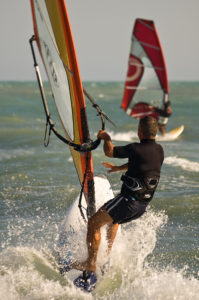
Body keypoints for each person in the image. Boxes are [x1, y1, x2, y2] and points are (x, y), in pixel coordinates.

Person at [71, 116, 164, 278]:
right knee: (113, 220)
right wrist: (118, 168)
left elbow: (109, 151)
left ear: (139, 131)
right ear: (155, 132)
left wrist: (107, 138)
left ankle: (91, 264)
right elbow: (142, 163)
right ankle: (106, 257)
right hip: (141, 206)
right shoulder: (159, 151)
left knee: (93, 222)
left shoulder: (135, 148)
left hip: (128, 201)